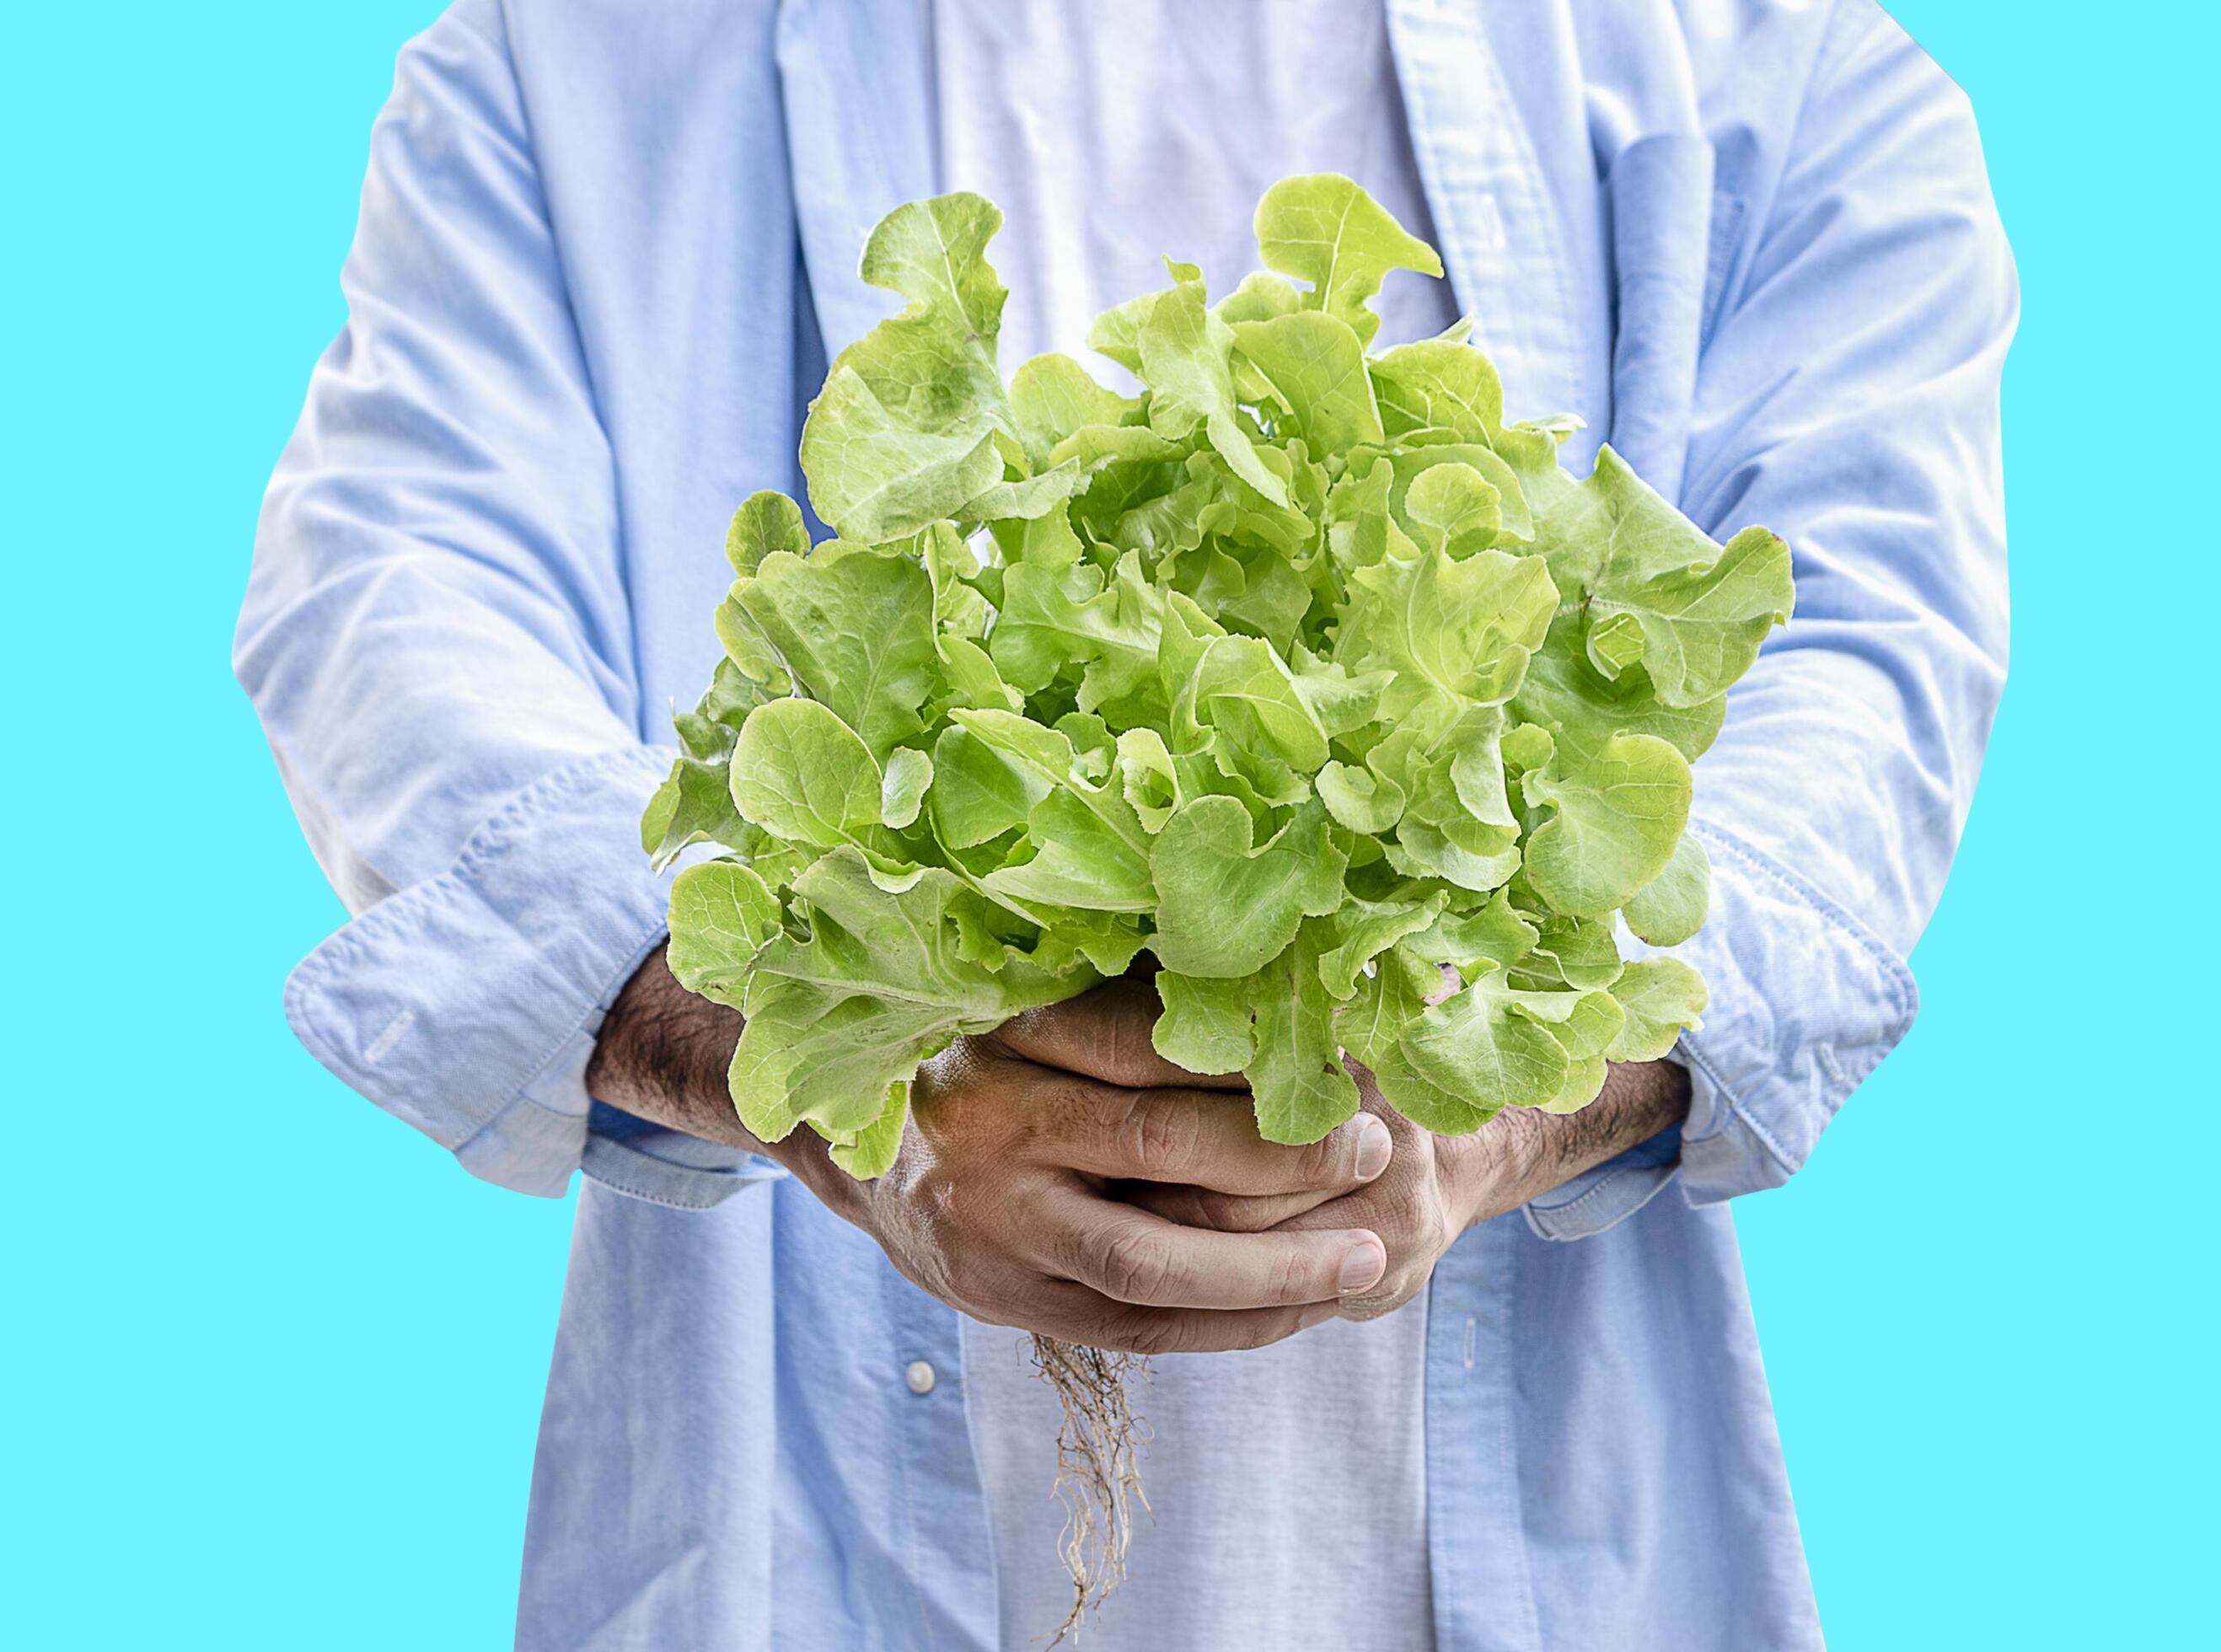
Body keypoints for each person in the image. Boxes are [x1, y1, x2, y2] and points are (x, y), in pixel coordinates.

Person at [235, 1, 2014, 1645]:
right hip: (785, 1539)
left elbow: (1859, 665)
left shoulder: (1774, 73)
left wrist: (1494, 1099)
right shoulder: (568, 65)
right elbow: (384, 599)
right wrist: (834, 1078)